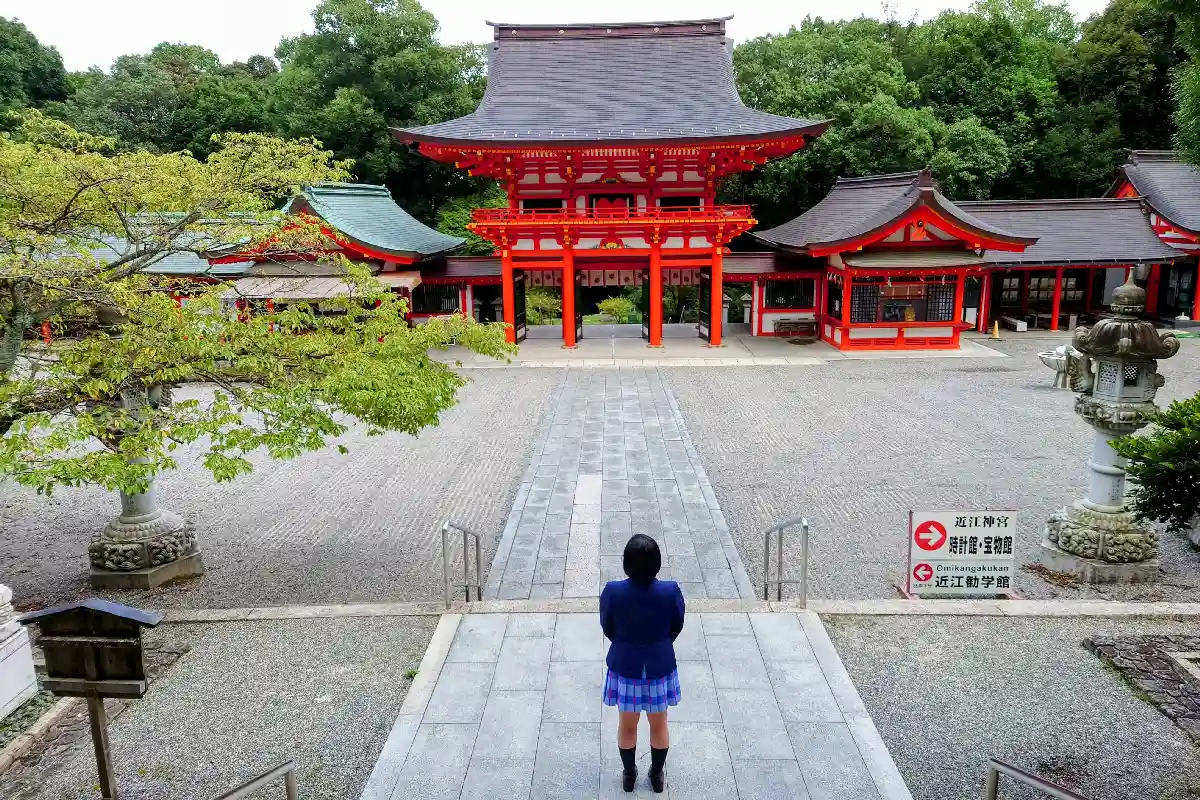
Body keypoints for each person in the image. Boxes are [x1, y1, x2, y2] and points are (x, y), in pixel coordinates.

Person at [600, 534, 685, 793]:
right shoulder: (670, 591)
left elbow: (608, 626)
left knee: (627, 726)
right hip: (659, 665)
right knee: (659, 725)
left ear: (627, 563)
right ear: (657, 563)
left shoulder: (613, 591)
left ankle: (629, 775)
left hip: (626, 665)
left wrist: (625, 641)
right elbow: (676, 624)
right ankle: (657, 776)